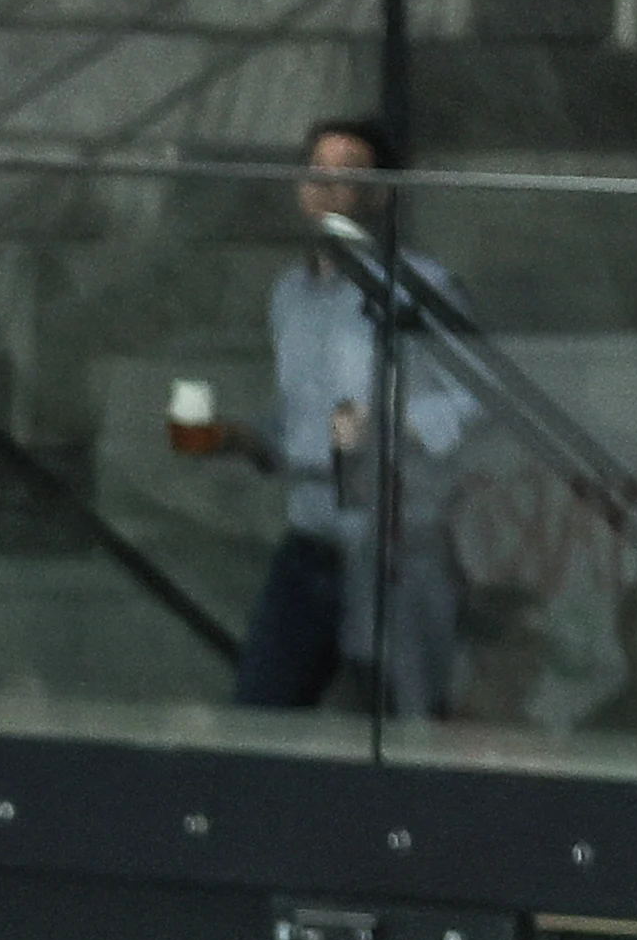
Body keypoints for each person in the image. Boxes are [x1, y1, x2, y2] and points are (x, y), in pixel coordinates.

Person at [203, 117, 477, 723]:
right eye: (316, 175)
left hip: (395, 550)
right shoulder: (288, 295)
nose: (328, 189)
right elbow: (302, 418)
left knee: (415, 729)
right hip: (309, 546)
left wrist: (391, 421)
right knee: (259, 720)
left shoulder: (421, 288)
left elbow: (477, 402)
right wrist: (246, 438)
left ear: (379, 194)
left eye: (347, 176)